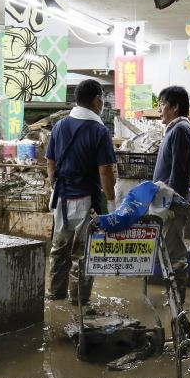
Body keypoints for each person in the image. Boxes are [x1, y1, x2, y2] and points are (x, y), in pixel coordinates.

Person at [45, 78, 116, 303]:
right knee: (83, 254)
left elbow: (50, 162)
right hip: (86, 200)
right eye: (102, 100)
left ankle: (54, 293)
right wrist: (112, 202)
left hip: (62, 199)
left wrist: (53, 185)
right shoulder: (99, 131)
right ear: (97, 100)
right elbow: (105, 171)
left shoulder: (59, 126)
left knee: (59, 249)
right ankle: (78, 300)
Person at [153, 85, 190, 298]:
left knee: (175, 255)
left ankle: (177, 305)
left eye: (162, 105)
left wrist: (170, 203)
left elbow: (178, 172)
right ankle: (173, 300)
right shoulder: (175, 130)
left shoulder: (180, 130)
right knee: (170, 253)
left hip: (172, 204)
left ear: (175, 107)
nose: (159, 109)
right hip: (168, 202)